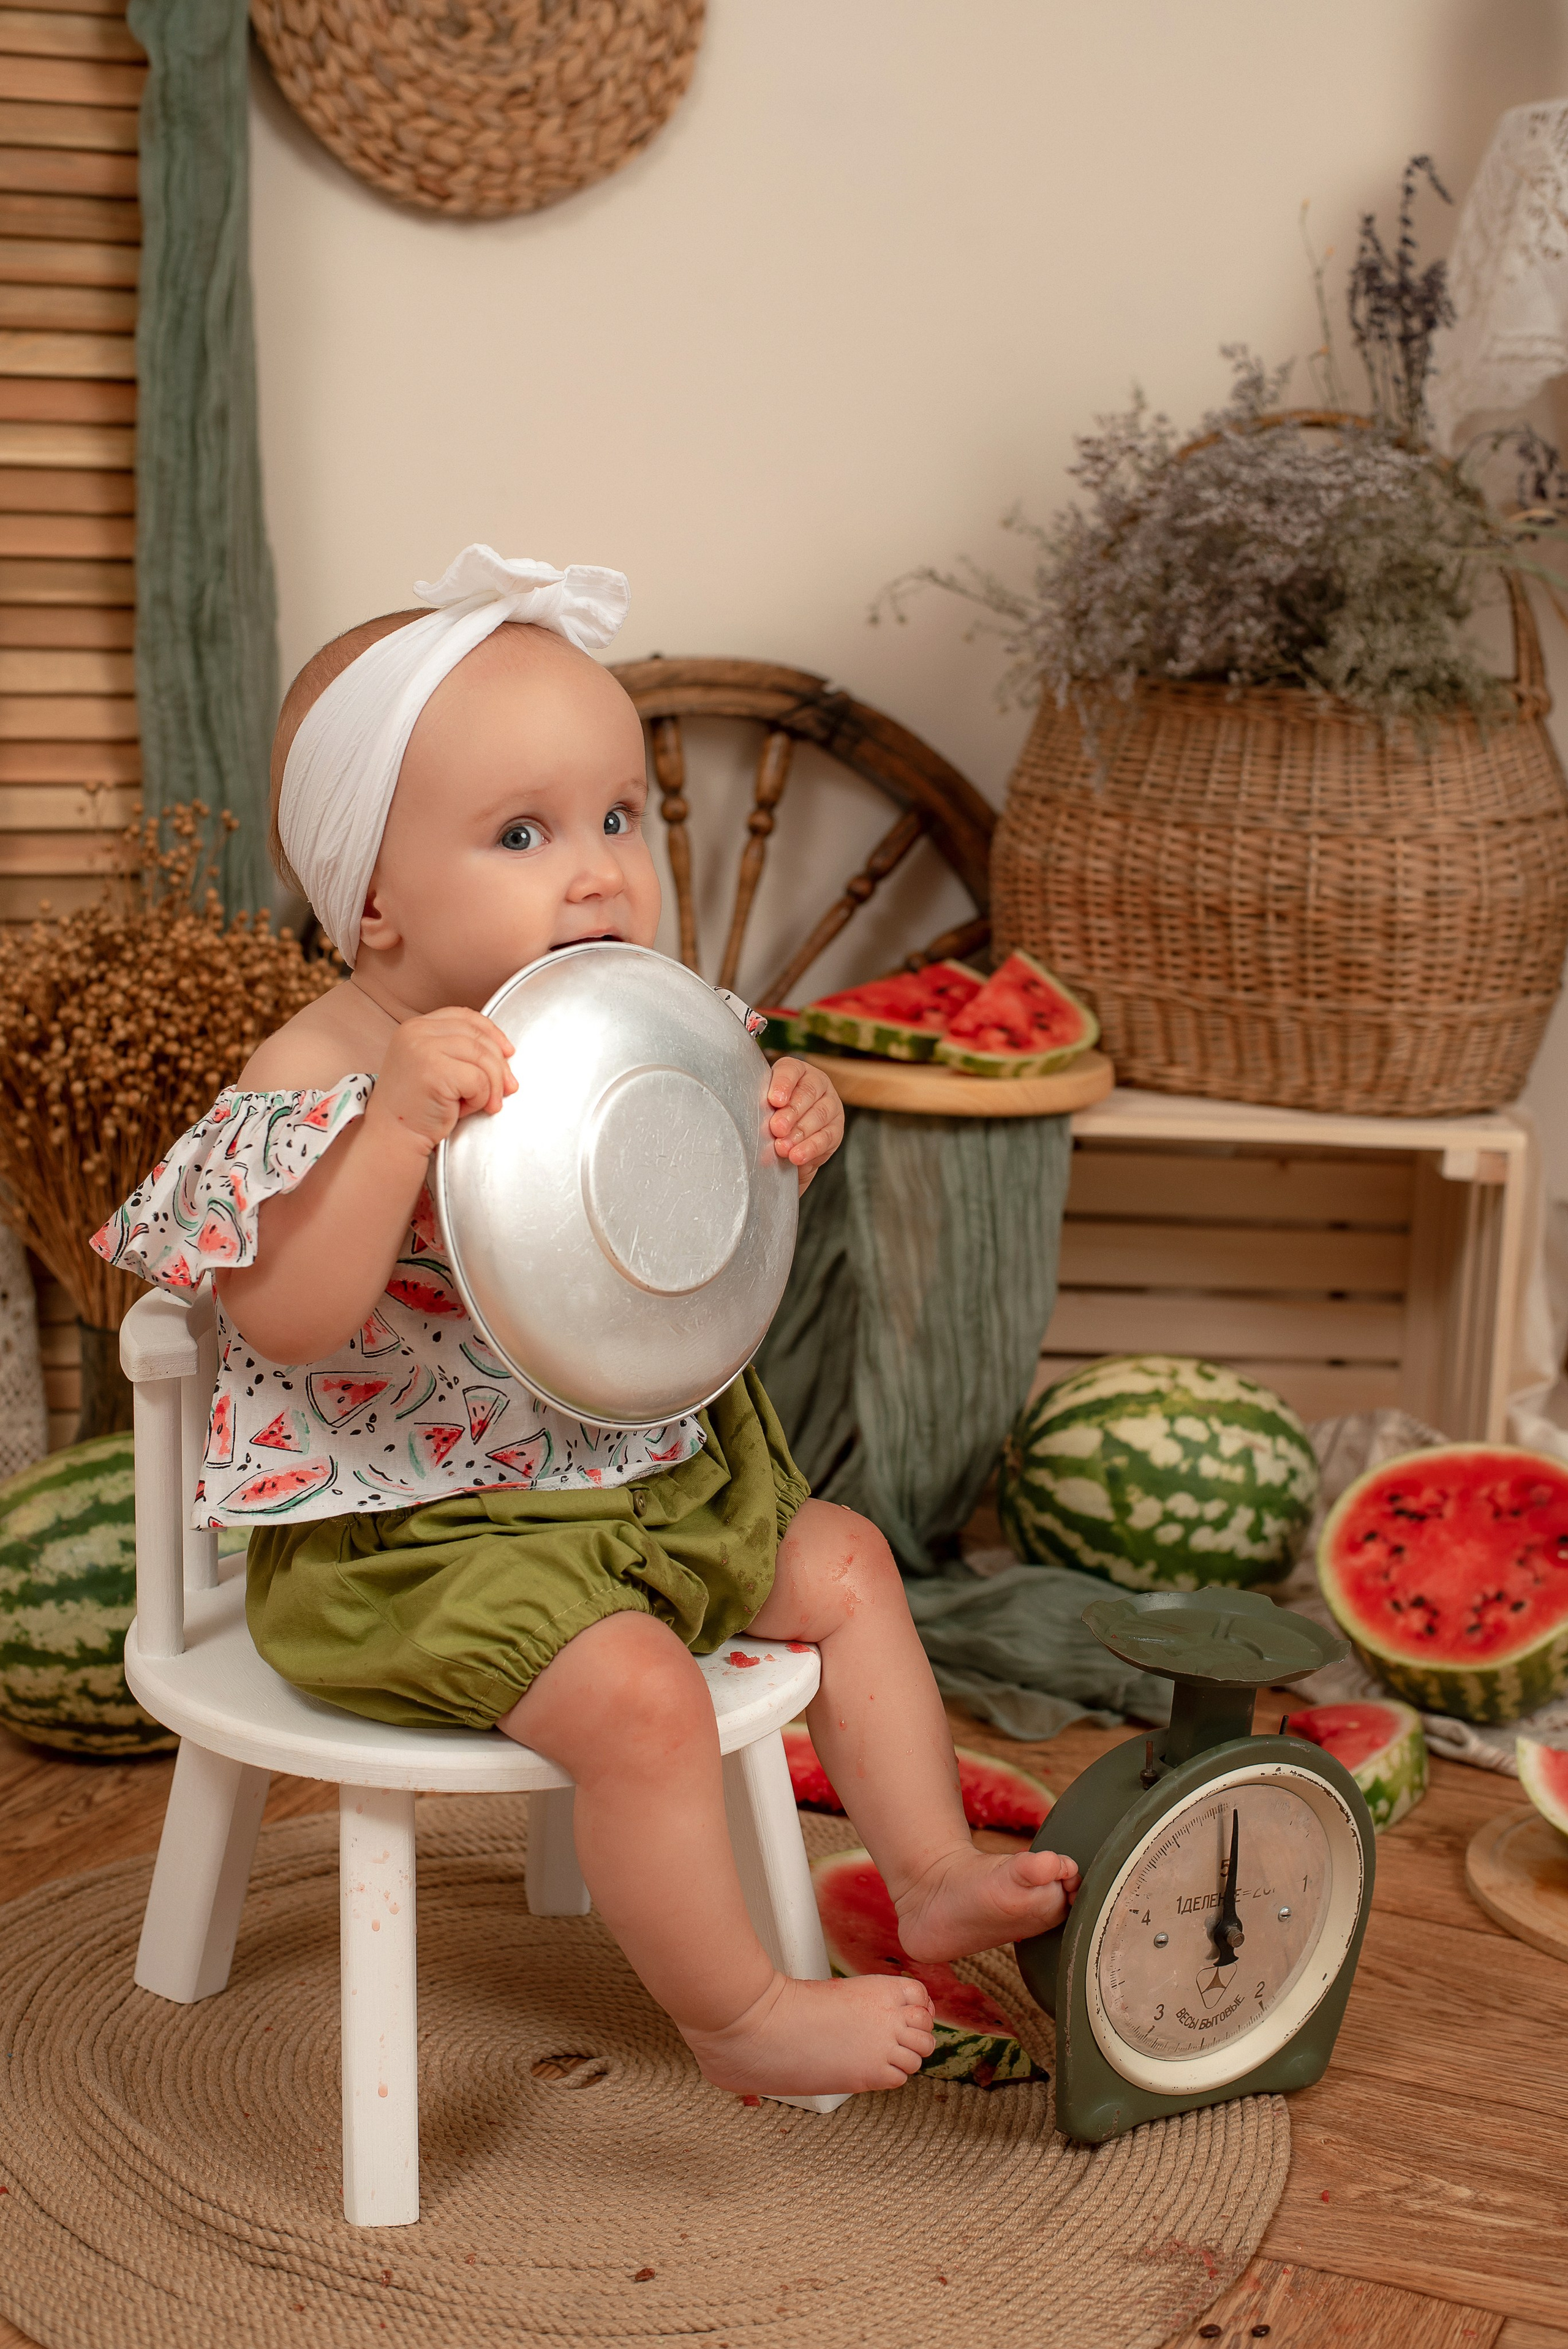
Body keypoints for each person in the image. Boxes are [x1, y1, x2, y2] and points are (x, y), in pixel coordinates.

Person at [94, 548, 1079, 2100]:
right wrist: (394, 1131)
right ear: (371, 900)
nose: (598, 871)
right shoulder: (315, 1072)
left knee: (845, 1563)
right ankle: (734, 2010)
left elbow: (690, 1247)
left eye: (618, 817)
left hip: (637, 1489)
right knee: (639, 1695)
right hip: (412, 1551)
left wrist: (784, 1128)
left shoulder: (626, 1021)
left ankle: (933, 1869)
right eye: (522, 832)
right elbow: (286, 1322)